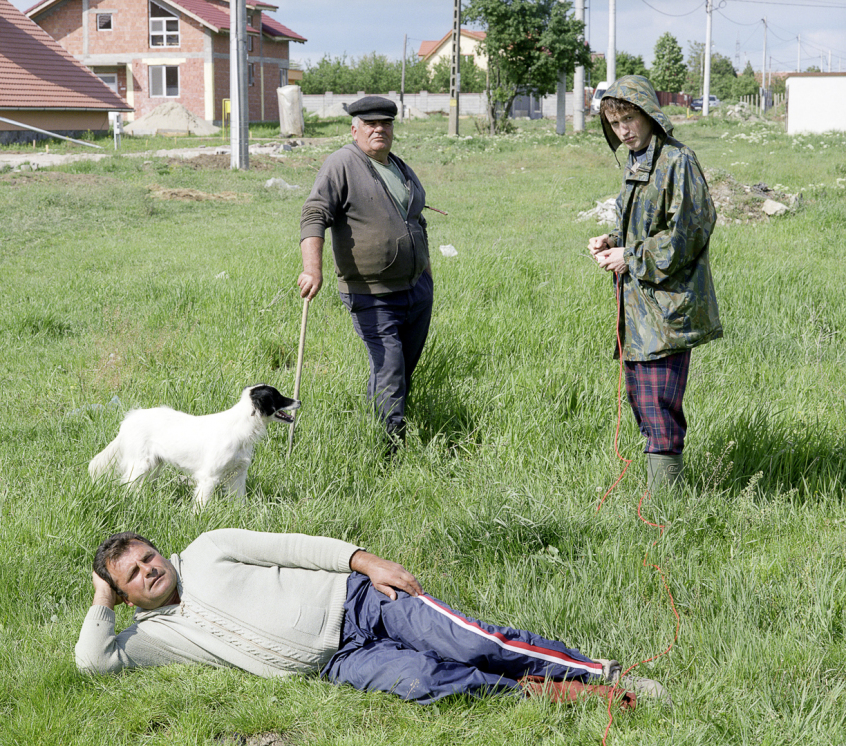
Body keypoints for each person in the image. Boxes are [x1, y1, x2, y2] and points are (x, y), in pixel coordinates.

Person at [75, 529, 668, 705]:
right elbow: (93, 659)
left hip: (358, 600)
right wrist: (101, 594)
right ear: (125, 595)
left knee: (468, 642)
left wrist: (366, 561)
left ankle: (602, 673)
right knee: (428, 683)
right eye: (132, 574)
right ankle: (553, 696)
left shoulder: (205, 549)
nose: (149, 570)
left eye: (148, 557)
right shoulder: (153, 636)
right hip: (340, 662)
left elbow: (290, 546)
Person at [588, 76, 722, 491]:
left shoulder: (677, 161)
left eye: (629, 118)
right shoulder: (639, 159)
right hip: (640, 307)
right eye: (614, 122)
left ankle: (666, 508)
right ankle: (660, 496)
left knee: (659, 405)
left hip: (668, 307)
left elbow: (689, 233)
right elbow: (648, 224)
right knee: (644, 403)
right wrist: (614, 239)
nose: (623, 129)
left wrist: (630, 256)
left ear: (649, 114)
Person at [298, 96, 433, 448]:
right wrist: (313, 269)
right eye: (371, 124)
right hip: (370, 292)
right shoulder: (342, 164)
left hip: (416, 289)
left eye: (385, 123)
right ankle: (389, 450)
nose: (379, 129)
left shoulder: (399, 166)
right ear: (354, 129)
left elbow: (417, 218)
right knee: (389, 369)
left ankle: (382, 426)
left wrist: (425, 269)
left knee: (401, 369)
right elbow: (314, 214)